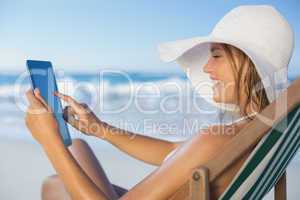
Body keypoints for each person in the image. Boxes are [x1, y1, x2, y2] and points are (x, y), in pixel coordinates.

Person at [25, 5, 294, 200]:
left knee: (56, 185)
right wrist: (99, 128)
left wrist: (50, 141)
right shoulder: (257, 130)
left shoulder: (216, 140)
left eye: (217, 55)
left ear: (247, 64)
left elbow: (187, 152)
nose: (208, 67)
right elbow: (174, 151)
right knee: (79, 146)